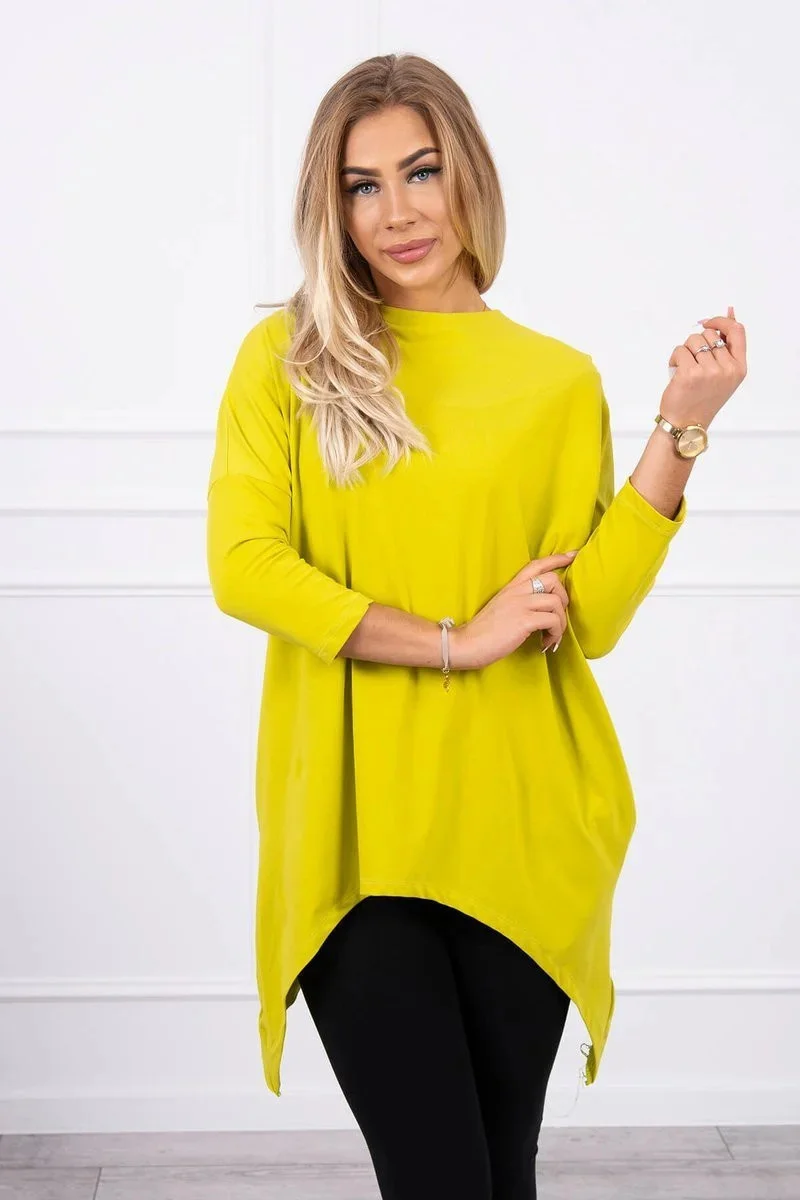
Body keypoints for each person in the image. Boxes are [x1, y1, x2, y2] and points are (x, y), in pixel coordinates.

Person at [206, 52, 747, 1200]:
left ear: (468, 178)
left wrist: (678, 428)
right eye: (360, 186)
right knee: (438, 1177)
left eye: (420, 172)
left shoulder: (554, 381)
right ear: (330, 207)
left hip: (522, 826)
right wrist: (455, 638)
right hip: (357, 842)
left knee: (499, 1176)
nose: (395, 213)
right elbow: (245, 570)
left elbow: (586, 617)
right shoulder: (290, 361)